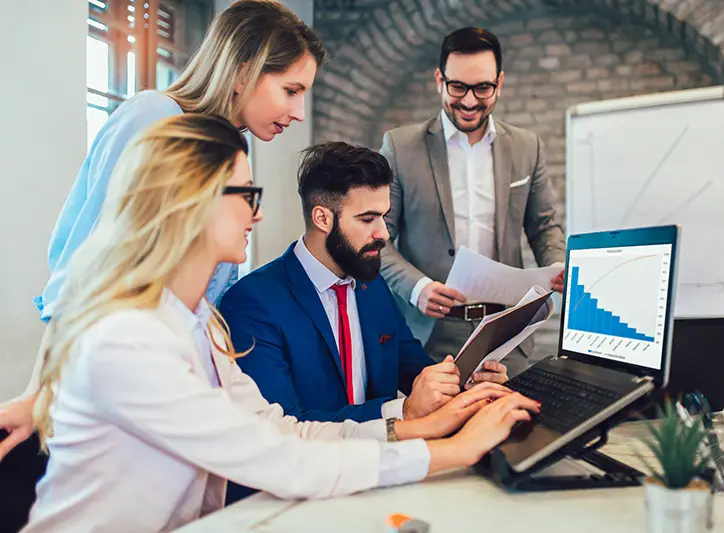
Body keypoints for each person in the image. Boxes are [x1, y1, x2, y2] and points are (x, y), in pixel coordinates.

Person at [21, 114, 540, 533]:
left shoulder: (197, 323)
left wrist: (427, 424)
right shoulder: (129, 340)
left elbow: (279, 429)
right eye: (247, 196)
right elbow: (280, 459)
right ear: (193, 204)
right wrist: (455, 449)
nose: (259, 214)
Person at [1, 0, 325, 461]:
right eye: (291, 90)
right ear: (244, 70)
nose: (296, 111)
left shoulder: (231, 150)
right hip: (112, 381)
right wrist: (41, 391)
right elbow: (86, 264)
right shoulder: (154, 117)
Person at [218, 142, 509, 503]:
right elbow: (288, 427)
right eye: (367, 219)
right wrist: (404, 412)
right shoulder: (252, 302)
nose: (384, 234)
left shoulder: (372, 284)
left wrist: (465, 381)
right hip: (295, 498)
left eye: (384, 217)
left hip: (382, 484)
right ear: (323, 218)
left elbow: (414, 369)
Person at [379, 26, 566, 379]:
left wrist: (556, 264)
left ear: (500, 82)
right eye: (457, 87)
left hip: (506, 332)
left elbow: (543, 226)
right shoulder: (400, 148)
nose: (468, 101)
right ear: (439, 79)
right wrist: (417, 288)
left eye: (483, 88)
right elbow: (377, 238)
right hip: (427, 335)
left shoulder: (527, 147)